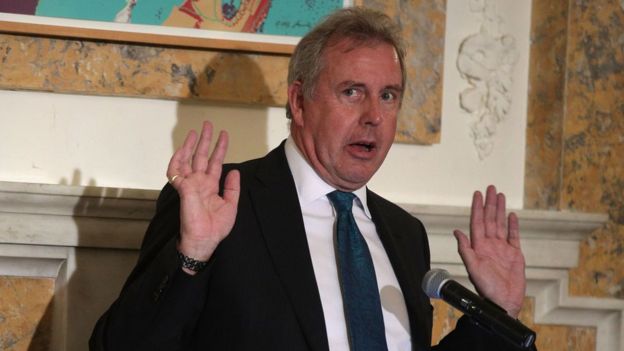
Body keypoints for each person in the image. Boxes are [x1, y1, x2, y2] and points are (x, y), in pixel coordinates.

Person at [90, 7, 532, 351]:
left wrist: (498, 312)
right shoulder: (222, 203)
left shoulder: (405, 234)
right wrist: (192, 257)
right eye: (352, 92)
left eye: (388, 96)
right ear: (299, 103)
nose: (374, 116)